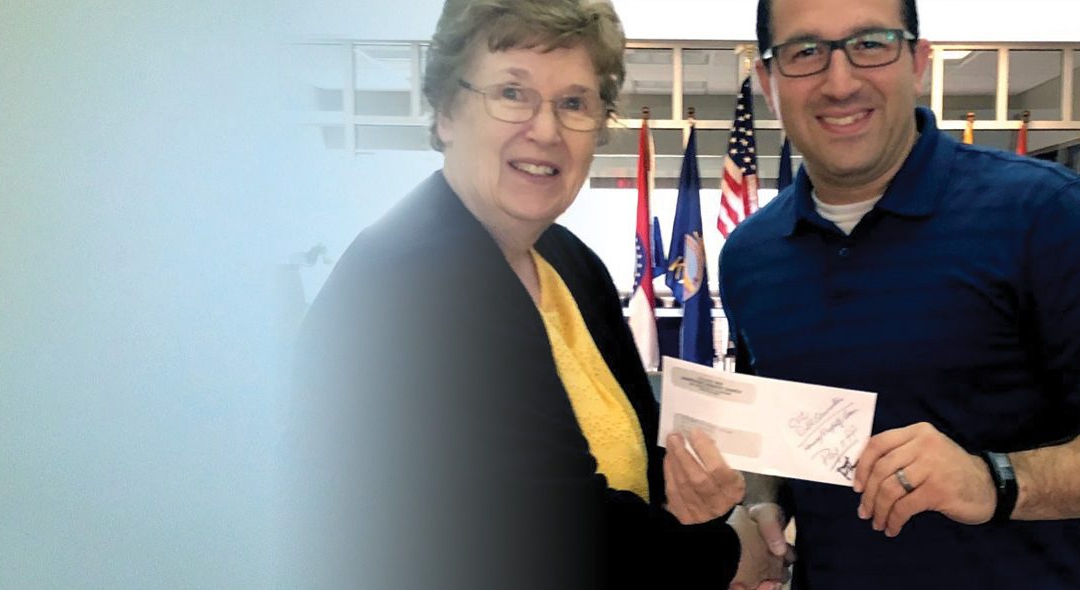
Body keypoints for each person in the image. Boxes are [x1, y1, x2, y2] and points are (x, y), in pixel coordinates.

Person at [291, 1, 787, 588]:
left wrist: (696, 499)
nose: (546, 130)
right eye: (512, 93)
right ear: (447, 111)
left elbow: (641, 462)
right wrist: (733, 552)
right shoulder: (408, 276)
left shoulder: (569, 262)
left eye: (574, 103)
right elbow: (547, 527)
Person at [718, 0, 1080, 587]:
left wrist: (993, 480)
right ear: (768, 79)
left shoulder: (1046, 213)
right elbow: (776, 431)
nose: (840, 82)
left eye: (870, 44)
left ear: (917, 61)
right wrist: (762, 502)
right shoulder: (749, 256)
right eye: (805, 52)